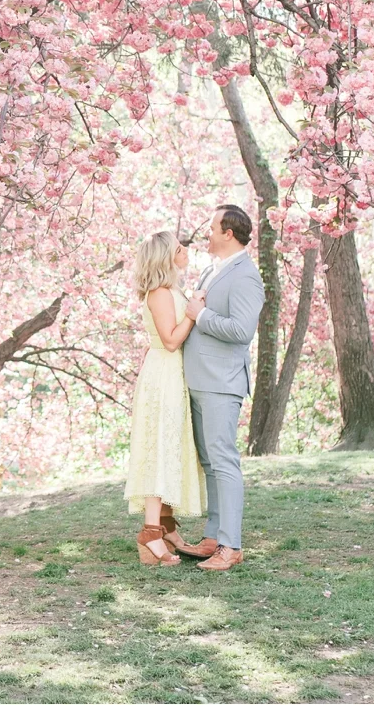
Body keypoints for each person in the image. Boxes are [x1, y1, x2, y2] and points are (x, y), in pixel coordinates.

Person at [180, 204, 265, 571]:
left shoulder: (246, 276)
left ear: (229, 233)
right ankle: (214, 536)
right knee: (210, 463)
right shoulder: (208, 270)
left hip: (221, 383)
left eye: (212, 227)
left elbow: (241, 331)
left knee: (224, 461)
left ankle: (231, 546)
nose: (207, 233)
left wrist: (201, 315)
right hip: (198, 379)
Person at [123, 230, 211, 567]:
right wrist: (192, 313)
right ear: (166, 257)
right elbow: (171, 341)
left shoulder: (172, 289)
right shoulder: (159, 293)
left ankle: (166, 525)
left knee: (171, 447)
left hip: (174, 375)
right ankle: (150, 533)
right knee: (159, 450)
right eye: (179, 248)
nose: (185, 250)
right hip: (163, 375)